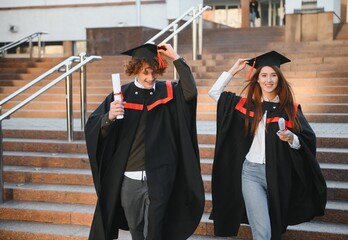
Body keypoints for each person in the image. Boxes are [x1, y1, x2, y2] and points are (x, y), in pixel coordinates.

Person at [85, 42, 205, 240]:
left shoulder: (168, 92)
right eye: (146, 73)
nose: (151, 78)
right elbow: (94, 128)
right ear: (135, 70)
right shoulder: (121, 95)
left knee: (155, 230)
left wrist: (176, 59)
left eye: (154, 72)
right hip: (129, 178)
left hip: (160, 175)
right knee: (136, 230)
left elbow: (190, 92)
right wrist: (110, 117)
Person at [208, 51, 327, 240]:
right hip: (251, 174)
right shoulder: (246, 105)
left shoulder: (290, 109)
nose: (268, 80)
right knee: (262, 230)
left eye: (273, 75)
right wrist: (233, 70)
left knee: (273, 228)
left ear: (279, 79)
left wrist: (291, 138)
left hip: (279, 174)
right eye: (264, 75)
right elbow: (214, 93)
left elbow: (307, 140)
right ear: (257, 79)